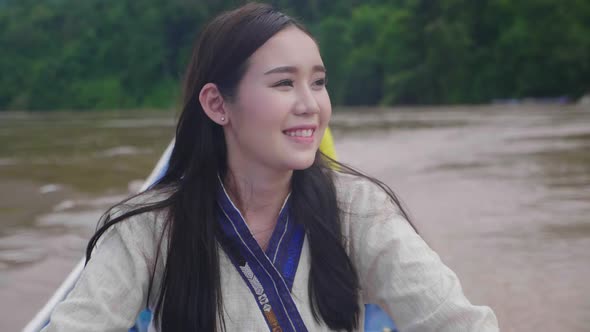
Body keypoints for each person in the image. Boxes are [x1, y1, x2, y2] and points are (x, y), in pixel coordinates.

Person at [42, 3, 499, 331]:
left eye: (318, 82)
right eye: (284, 83)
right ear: (218, 104)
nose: (311, 105)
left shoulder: (359, 209)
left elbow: (456, 321)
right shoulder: (147, 229)